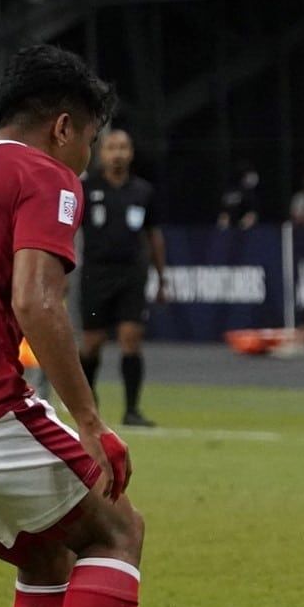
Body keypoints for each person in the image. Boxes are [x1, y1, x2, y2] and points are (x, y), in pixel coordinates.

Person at [0, 45, 186, 607]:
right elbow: (37, 301)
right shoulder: (41, 174)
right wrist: (90, 421)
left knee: (46, 557)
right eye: (86, 139)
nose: (82, 158)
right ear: (65, 127)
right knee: (117, 529)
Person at [78, 130, 166, 428]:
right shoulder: (86, 189)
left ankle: (132, 410)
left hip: (131, 273)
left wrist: (162, 276)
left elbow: (153, 234)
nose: (118, 153)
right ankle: (88, 404)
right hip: (95, 273)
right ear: (101, 153)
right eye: (112, 147)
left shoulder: (143, 191)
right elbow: (66, 229)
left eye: (123, 147)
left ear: (131, 153)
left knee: (131, 338)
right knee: (92, 342)